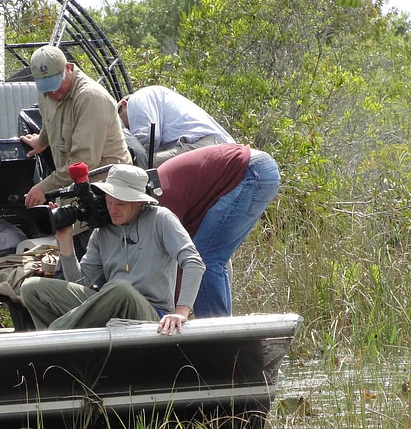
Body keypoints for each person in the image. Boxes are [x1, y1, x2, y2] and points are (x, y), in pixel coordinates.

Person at [20, 164, 204, 334]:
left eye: (121, 204)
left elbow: (194, 262)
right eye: (109, 202)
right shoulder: (103, 229)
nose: (113, 210)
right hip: (108, 304)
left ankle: (52, 340)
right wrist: (65, 241)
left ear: (139, 202)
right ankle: (69, 356)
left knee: (120, 289)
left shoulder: (161, 219)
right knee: (31, 288)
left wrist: (181, 312)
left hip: (151, 312)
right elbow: (80, 282)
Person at [156, 144, 281, 318]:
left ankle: (218, 338)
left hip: (251, 172)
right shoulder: (156, 196)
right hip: (254, 168)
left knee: (205, 258)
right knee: (209, 256)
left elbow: (184, 261)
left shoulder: (162, 203)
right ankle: (221, 328)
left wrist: (173, 312)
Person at [20, 45, 131, 208]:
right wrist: (41, 142)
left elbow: (83, 161)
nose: (53, 93)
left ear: (68, 68)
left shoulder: (90, 98)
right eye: (46, 88)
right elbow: (49, 121)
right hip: (75, 188)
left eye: (56, 84)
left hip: (109, 192)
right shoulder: (48, 94)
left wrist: (43, 188)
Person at [117, 86, 234, 167]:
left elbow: (147, 137)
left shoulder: (137, 99)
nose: (127, 129)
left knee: (136, 168)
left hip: (202, 144)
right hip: (213, 145)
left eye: (121, 122)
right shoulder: (156, 97)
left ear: (123, 104)